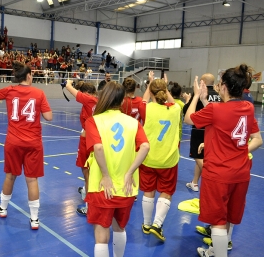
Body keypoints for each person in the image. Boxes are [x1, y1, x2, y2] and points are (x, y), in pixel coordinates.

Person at [184, 64, 262, 257]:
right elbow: (255, 138)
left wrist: (195, 97)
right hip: (241, 173)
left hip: (218, 174)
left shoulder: (216, 110)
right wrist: (240, 151)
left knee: (217, 220)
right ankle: (214, 250)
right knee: (228, 215)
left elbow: (188, 119)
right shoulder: (249, 107)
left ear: (224, 87)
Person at [85, 82, 150, 257]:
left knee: (101, 235)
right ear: (122, 101)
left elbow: (98, 148)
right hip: (126, 187)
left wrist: (106, 175)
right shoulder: (133, 123)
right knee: (119, 228)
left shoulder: (94, 121)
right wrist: (129, 172)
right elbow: (145, 146)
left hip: (102, 187)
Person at [0, 61, 52, 230]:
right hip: (33, 143)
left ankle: (3, 208)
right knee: (32, 180)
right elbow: (48, 116)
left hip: (14, 142)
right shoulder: (39, 93)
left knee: (10, 176)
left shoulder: (10, 90)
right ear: (29, 76)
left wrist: (0, 96)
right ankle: (34, 219)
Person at [139, 71, 179, 242]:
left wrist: (151, 83)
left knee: (148, 190)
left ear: (151, 92)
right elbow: (171, 101)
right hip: (168, 160)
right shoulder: (176, 109)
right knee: (166, 192)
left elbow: (144, 98)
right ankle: (157, 224)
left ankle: (147, 224)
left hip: (148, 158)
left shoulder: (145, 108)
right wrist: (164, 84)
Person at [183, 73, 221, 192]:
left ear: (202, 82)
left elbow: (186, 110)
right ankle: (194, 182)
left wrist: (189, 99)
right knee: (203, 155)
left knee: (196, 155)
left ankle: (214, 180)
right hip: (214, 129)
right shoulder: (219, 94)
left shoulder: (200, 93)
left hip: (199, 128)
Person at [65, 80, 98, 215]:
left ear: (86, 93)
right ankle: (87, 191)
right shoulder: (97, 100)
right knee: (90, 170)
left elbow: (72, 91)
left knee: (87, 171)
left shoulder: (89, 99)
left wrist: (68, 84)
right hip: (95, 138)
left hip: (88, 139)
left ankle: (90, 206)